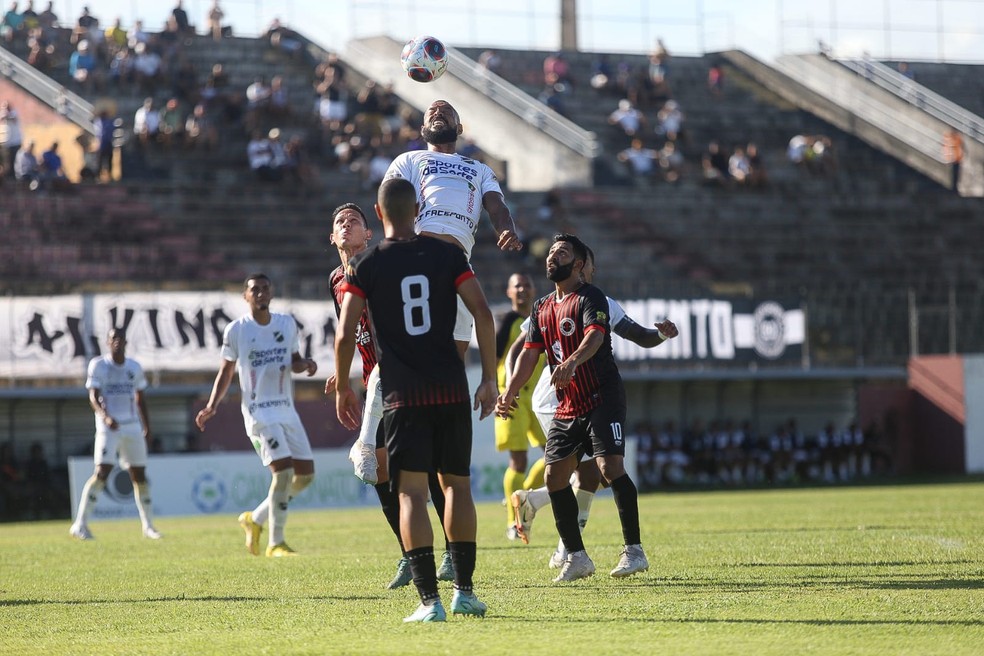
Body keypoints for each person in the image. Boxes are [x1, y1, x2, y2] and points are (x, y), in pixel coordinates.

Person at [334, 178, 498, 622]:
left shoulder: (366, 264)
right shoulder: (448, 256)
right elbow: (483, 313)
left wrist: (344, 384)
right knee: (456, 487)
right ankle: (465, 591)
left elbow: (346, 330)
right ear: (419, 208)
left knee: (409, 493)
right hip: (450, 387)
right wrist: (489, 379)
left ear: (379, 212)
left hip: (403, 394)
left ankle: (430, 602)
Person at [363, 99, 520, 478]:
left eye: (445, 109)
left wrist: (506, 227)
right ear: (422, 129)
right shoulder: (409, 161)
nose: (436, 112)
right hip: (416, 262)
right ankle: (368, 443)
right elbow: (389, 207)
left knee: (449, 362)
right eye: (431, 111)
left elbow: (496, 206)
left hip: (456, 267)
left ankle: (435, 451)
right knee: (399, 356)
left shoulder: (478, 168)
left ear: (459, 125)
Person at [495, 234, 654, 582]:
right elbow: (529, 353)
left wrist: (571, 361)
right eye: (552, 252)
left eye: (562, 252)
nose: (553, 256)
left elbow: (596, 336)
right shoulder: (541, 307)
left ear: (579, 265)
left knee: (609, 468)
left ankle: (634, 551)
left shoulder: (591, 297)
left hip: (601, 395)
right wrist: (509, 391)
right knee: (554, 477)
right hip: (567, 403)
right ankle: (577, 556)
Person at [325, 202, 456, 589]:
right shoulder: (335, 278)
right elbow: (350, 332)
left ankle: (451, 550)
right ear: (331, 238)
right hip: (374, 384)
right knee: (381, 472)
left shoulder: (385, 266)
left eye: (355, 221)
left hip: (408, 377)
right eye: (339, 222)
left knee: (428, 466)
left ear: (370, 234)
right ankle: (409, 554)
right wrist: (341, 373)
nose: (346, 225)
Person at [195, 273, 318, 557]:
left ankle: (255, 518)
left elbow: (294, 361)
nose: (260, 293)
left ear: (271, 294)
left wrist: (307, 364)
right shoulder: (237, 330)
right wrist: (212, 405)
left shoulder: (286, 324)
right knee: (284, 472)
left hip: (287, 410)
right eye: (254, 290)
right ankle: (276, 542)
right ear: (246, 296)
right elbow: (226, 370)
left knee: (306, 476)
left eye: (265, 289)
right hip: (259, 413)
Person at [70, 329, 162, 540]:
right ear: (107, 342)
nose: (117, 342)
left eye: (121, 339)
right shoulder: (99, 366)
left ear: (126, 342)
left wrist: (147, 427)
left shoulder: (134, 367)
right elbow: (93, 396)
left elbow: (140, 398)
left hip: (132, 426)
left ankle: (148, 526)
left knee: (139, 475)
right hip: (108, 428)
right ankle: (80, 524)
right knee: (102, 472)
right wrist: (105, 416)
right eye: (113, 339)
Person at [494, 272, 546, 540]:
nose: (523, 290)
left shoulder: (541, 320)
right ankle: (513, 523)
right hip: (511, 395)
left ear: (535, 288)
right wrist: (495, 390)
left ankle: (520, 495)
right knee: (519, 459)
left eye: (527, 284)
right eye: (518, 286)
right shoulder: (508, 323)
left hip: (538, 398)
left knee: (557, 456)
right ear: (509, 292)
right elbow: (494, 358)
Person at [942, 128, 963, 193]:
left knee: (956, 175)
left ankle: (955, 188)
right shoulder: (949, 137)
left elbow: (960, 147)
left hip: (957, 159)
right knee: (952, 175)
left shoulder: (957, 137)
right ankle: (952, 188)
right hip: (952, 159)